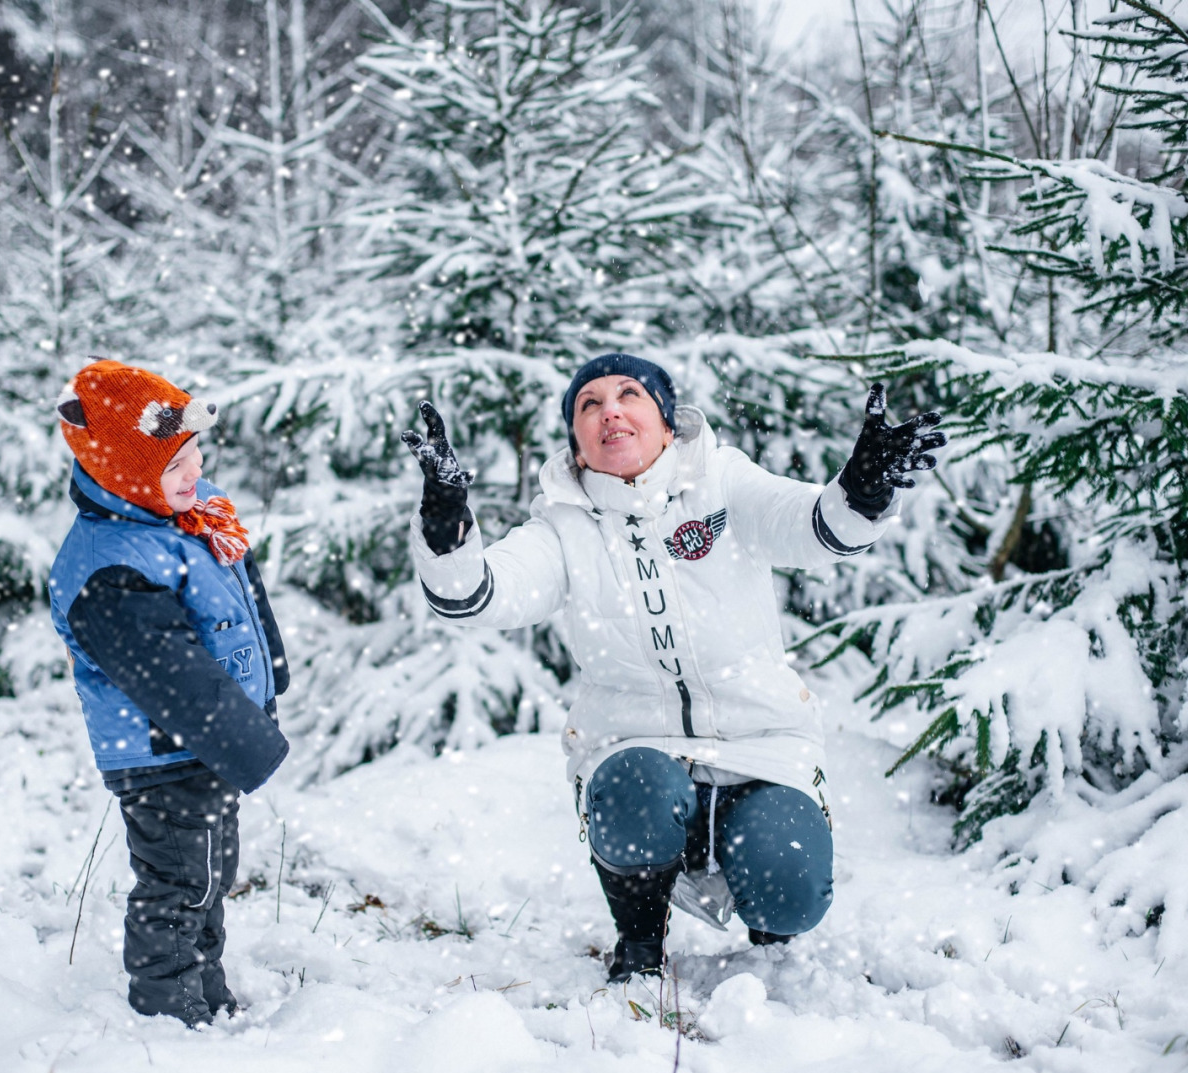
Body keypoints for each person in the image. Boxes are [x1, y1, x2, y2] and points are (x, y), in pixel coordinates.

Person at [402, 354, 944, 982]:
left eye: (628, 394)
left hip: (760, 743)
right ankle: (639, 941)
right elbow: (482, 594)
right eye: (589, 404)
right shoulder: (562, 526)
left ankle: (767, 926)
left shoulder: (724, 482)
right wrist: (447, 533)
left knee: (792, 887)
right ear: (577, 445)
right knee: (640, 790)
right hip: (635, 742)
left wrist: (862, 491)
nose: (610, 410)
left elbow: (815, 528)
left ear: (665, 422)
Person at [48, 359, 290, 1027]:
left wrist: (270, 674)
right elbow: (171, 677)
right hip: (167, 754)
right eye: (175, 464)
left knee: (210, 875)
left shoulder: (175, 516)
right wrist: (247, 739)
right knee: (179, 883)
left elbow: (239, 598)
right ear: (125, 473)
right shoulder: (109, 566)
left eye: (195, 456)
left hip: (207, 748)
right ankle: (168, 1009)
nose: (195, 473)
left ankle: (207, 989)